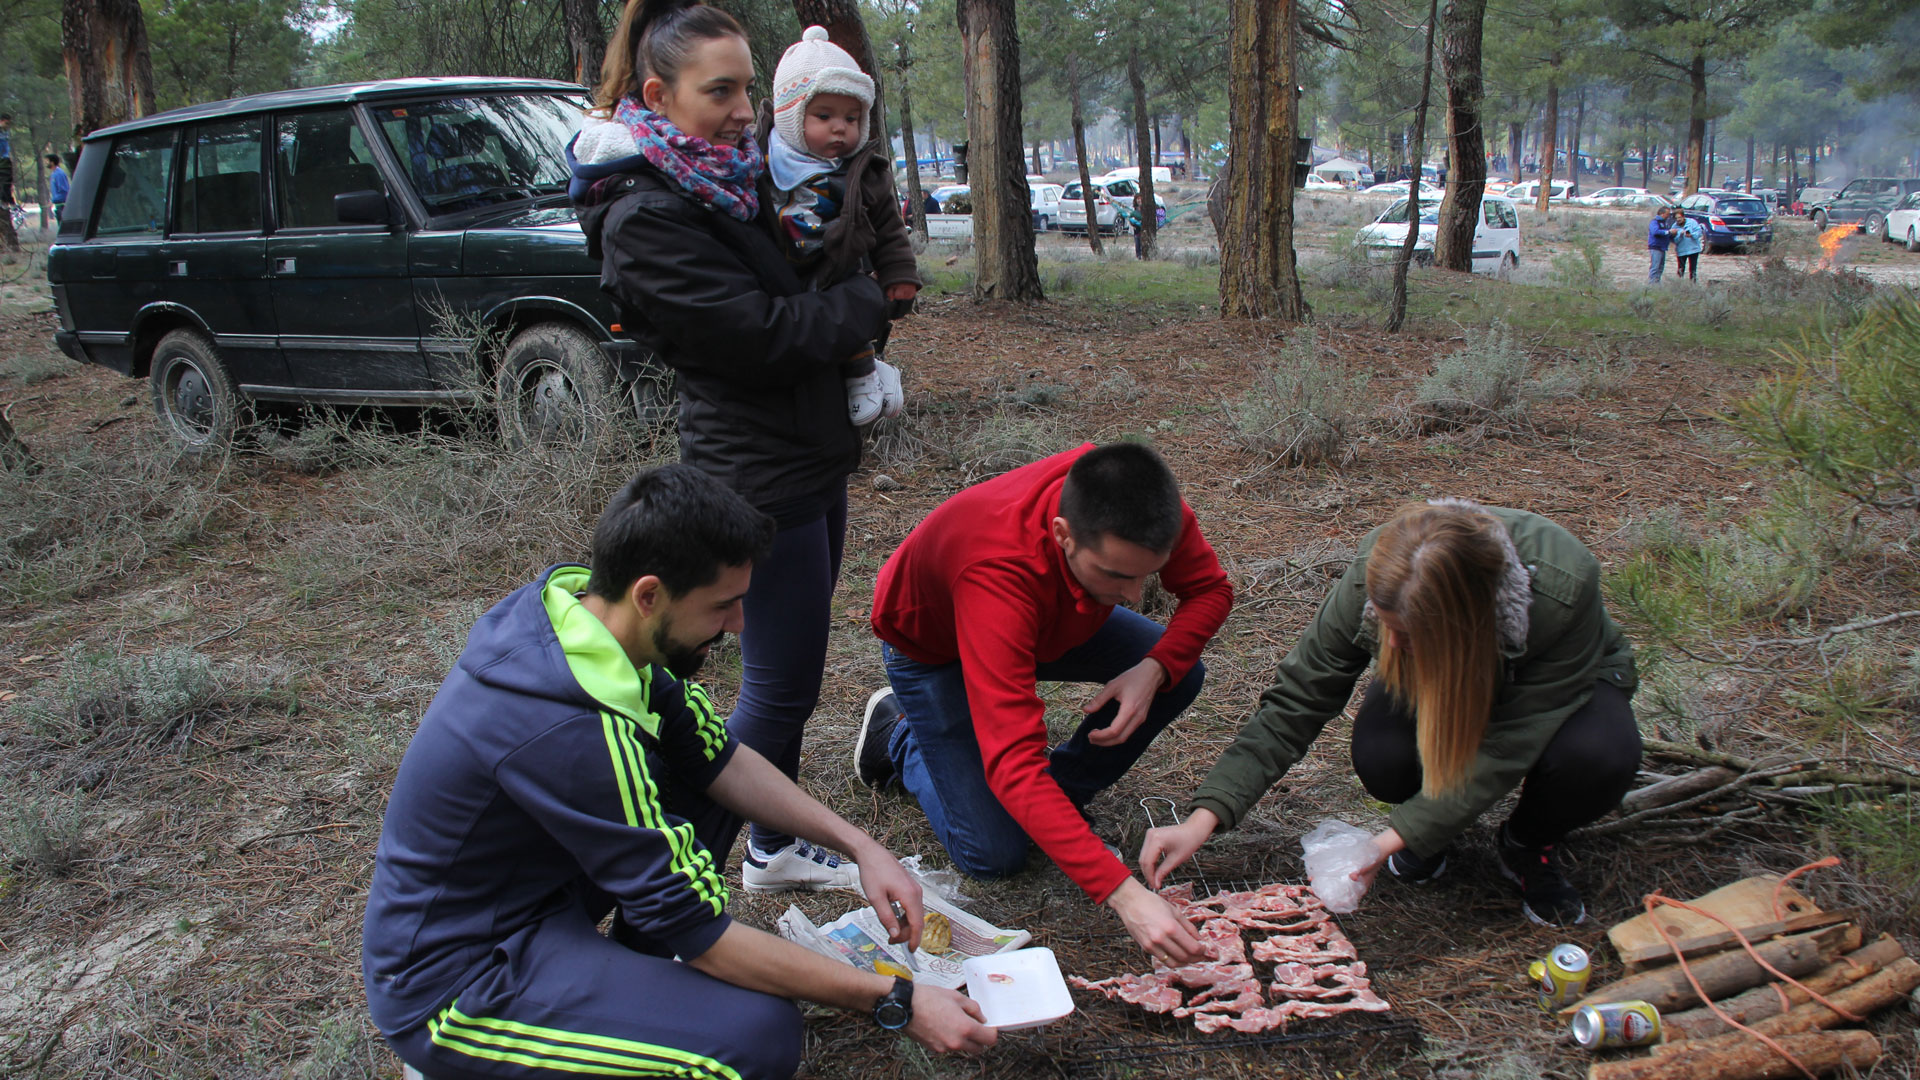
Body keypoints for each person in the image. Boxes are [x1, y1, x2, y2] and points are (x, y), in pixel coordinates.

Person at [362, 465, 997, 1080]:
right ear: (649, 594)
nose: (739, 625)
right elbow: (704, 937)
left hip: (534, 902)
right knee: (753, 1039)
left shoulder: (590, 628)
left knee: (698, 777)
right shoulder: (567, 728)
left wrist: (862, 848)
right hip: (457, 983)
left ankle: (625, 993)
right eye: (723, 606)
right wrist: (897, 1001)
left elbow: (720, 759)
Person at [567, 0, 891, 893]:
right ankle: (686, 875)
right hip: (758, 473)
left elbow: (800, 280)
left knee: (795, 676)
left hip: (809, 455)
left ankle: (767, 844)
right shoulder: (647, 215)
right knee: (779, 687)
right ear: (658, 94)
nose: (747, 109)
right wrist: (866, 303)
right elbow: (761, 333)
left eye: (750, 86)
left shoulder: (720, 172)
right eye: (723, 90)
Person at [1141, 500, 1641, 928]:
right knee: (1384, 755)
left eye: (1410, 633)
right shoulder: (1380, 575)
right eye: (1386, 627)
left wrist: (1391, 838)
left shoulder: (1561, 588)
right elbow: (1297, 701)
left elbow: (1508, 744)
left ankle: (1527, 842)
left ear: (1468, 618)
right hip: (1442, 671)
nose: (1392, 645)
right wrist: (1205, 817)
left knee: (1596, 756)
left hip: (1551, 684)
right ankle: (1432, 832)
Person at [856, 442, 1235, 966]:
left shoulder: (1142, 506)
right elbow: (1013, 762)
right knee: (992, 855)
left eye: (1146, 573)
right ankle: (896, 732)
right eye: (1117, 574)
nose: (1134, 593)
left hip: (1053, 619)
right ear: (1063, 535)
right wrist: (1124, 894)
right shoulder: (997, 571)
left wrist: (1154, 669)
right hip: (933, 647)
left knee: (1178, 669)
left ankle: (1059, 796)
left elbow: (1211, 590)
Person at [758, 25, 920, 426]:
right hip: (783, 267)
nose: (839, 128)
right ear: (791, 116)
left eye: (852, 118)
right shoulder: (760, 161)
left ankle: (866, 369)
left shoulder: (864, 173)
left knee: (847, 312)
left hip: (840, 262)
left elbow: (889, 228)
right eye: (824, 116)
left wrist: (900, 275)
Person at [1646, 207, 1677, 283]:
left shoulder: (1665, 223)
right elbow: (1655, 232)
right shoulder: (1655, 222)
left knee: (1660, 267)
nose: (1668, 216)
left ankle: (1657, 282)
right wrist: (1668, 232)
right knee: (1655, 266)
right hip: (1656, 247)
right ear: (1662, 214)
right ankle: (1652, 284)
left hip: (1662, 247)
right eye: (1667, 214)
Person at [1672, 210, 1704, 281]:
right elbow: (1674, 241)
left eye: (1679, 217)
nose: (1678, 220)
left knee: (1693, 269)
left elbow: (1699, 232)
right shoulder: (1674, 227)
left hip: (1693, 249)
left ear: (1683, 217)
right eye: (1676, 218)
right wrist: (1680, 235)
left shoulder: (1692, 222)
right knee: (1681, 269)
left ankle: (1693, 284)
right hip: (1681, 250)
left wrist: (1692, 235)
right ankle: (1679, 284)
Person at [45, 154, 68, 224]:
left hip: (62, 206)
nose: (45, 163)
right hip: (58, 206)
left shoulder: (59, 174)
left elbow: (64, 191)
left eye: (47, 161)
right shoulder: (53, 174)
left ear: (52, 162)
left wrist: (53, 200)